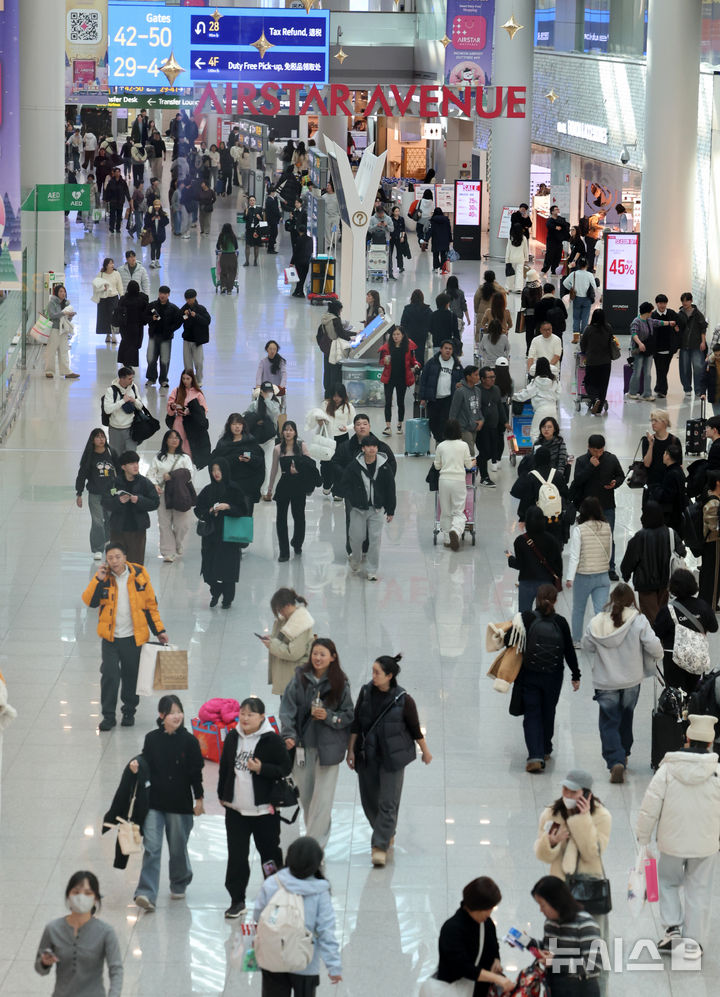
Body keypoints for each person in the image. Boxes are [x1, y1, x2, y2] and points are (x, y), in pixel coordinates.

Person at [636, 712, 720, 960]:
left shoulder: (667, 770)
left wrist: (643, 839)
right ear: (710, 743)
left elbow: (650, 806)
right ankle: (693, 943)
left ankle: (672, 930)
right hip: (705, 845)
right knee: (699, 890)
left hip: (671, 842)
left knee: (667, 882)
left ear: (686, 739)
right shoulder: (717, 773)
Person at [347, 654, 432, 866]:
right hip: (367, 755)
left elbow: (414, 728)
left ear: (389, 676)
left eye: (377, 672)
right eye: (373, 671)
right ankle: (386, 830)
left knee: (388, 802)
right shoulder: (365, 693)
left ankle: (379, 845)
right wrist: (351, 751)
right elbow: (356, 723)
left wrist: (425, 751)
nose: (373, 676)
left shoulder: (404, 699)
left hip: (392, 758)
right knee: (369, 801)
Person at [127, 695, 204, 913]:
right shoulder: (152, 738)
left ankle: (179, 881)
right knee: (152, 847)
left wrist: (199, 799)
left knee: (177, 846)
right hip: (155, 802)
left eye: (179, 711)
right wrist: (137, 765)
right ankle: (146, 892)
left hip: (180, 803)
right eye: (171, 712)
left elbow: (195, 773)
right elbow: (147, 761)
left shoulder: (189, 742)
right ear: (161, 716)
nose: (176, 716)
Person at [218, 696, 292, 918]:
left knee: (269, 856)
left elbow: (285, 768)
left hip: (264, 813)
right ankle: (237, 900)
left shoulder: (272, 740)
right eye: (242, 714)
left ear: (262, 717)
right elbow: (224, 767)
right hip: (236, 811)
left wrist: (262, 769)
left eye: (250, 714)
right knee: (237, 857)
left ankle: (274, 897)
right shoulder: (232, 737)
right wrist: (222, 795)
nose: (245, 718)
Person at [82, 540, 167, 730]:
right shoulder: (104, 578)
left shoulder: (139, 574)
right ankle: (108, 715)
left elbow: (150, 606)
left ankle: (129, 711)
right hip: (110, 639)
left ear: (125, 558)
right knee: (110, 675)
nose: (114, 561)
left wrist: (159, 631)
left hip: (133, 637)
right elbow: (90, 602)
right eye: (110, 558)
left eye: (118, 557)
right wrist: (97, 579)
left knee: (131, 675)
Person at [582, 583, 663, 781]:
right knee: (626, 718)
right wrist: (658, 656)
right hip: (631, 681)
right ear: (631, 600)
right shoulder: (639, 621)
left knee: (609, 722)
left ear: (611, 599)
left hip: (605, 682)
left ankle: (615, 760)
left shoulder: (599, 621)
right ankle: (624, 753)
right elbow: (654, 646)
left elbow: (586, 645)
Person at [279, 639, 353, 849]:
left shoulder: (340, 682)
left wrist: (328, 716)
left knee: (323, 802)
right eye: (315, 654)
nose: (318, 658)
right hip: (302, 747)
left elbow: (348, 714)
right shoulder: (299, 678)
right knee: (307, 798)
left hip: (329, 750)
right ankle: (314, 842)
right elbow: (287, 709)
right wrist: (289, 735)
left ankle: (314, 848)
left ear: (333, 657)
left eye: (323, 654)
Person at [253, 836, 343, 994]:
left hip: (273, 955)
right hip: (305, 961)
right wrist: (333, 966)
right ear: (317, 863)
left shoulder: (272, 882)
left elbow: (258, 917)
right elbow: (326, 931)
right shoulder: (320, 891)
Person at [514, 584, 580, 773]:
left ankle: (534, 755)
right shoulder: (560, 622)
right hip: (553, 676)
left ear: (537, 598)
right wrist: (576, 675)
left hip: (530, 674)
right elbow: (569, 650)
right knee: (548, 711)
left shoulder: (526, 618)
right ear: (556, 600)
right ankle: (545, 749)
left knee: (532, 713)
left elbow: (511, 640)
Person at [35, 870, 122, 995]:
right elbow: (40, 969)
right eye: (76, 892)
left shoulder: (106, 932)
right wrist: (44, 963)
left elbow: (116, 970)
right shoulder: (52, 929)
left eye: (88, 893)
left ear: (95, 898)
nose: (81, 897)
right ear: (68, 896)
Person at [432, 877, 512, 996]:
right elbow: (462, 967)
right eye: (488, 908)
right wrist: (496, 976)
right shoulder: (452, 929)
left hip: (479, 989)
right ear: (478, 906)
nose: (541, 910)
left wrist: (496, 960)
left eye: (542, 905)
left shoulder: (487, 924)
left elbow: (550, 960)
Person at [336, 434, 396, 581]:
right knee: (356, 538)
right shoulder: (354, 466)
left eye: (374, 446)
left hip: (376, 509)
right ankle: (355, 560)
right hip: (358, 509)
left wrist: (390, 509)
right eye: (369, 446)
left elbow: (390, 489)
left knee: (375, 540)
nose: (372, 449)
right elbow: (345, 484)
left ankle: (372, 570)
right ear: (363, 449)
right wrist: (353, 498)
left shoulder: (384, 467)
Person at [531, 875, 602, 995]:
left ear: (556, 902)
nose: (541, 910)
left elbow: (594, 965)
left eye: (543, 905)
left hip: (581, 990)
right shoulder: (550, 923)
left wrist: (556, 962)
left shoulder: (585, 924)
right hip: (556, 987)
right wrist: (524, 941)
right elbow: (550, 950)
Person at [653, 568, 718, 695]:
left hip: (673, 658)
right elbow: (714, 627)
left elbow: (656, 633)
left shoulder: (668, 610)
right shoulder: (703, 606)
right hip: (697, 656)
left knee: (675, 696)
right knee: (695, 694)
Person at [620, 500, 686, 625]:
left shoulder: (640, 537)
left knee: (652, 618)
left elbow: (630, 560)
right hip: (665, 582)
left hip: (646, 585)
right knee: (660, 613)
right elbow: (682, 552)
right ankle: (660, 641)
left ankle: (656, 642)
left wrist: (626, 574)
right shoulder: (670, 533)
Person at [570, 435, 624, 580]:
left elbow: (621, 476)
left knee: (609, 537)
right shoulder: (582, 461)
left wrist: (615, 482)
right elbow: (578, 481)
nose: (598, 454)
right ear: (589, 447)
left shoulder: (611, 459)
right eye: (595, 451)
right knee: (585, 538)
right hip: (586, 508)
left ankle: (610, 567)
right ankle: (584, 566)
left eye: (600, 451)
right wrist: (590, 466)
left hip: (607, 505)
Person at [194, 459, 246, 608]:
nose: (216, 473)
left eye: (219, 470)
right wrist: (210, 511)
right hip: (211, 535)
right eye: (213, 470)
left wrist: (228, 507)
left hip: (229, 536)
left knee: (228, 570)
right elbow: (198, 510)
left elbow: (243, 510)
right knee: (208, 570)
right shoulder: (207, 490)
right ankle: (216, 590)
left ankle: (227, 599)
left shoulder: (234, 489)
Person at [565, 498, 611, 643]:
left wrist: (570, 578)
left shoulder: (579, 530)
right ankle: (600, 640)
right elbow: (609, 552)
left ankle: (577, 640)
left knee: (579, 610)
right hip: (603, 575)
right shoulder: (607, 527)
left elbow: (574, 557)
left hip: (583, 576)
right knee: (600, 611)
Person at [267, 420, 315, 560]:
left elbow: (310, 465)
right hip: (284, 485)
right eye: (285, 430)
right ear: (282, 432)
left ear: (295, 432)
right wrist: (270, 488)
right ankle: (284, 551)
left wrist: (299, 469)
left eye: (291, 430)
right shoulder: (277, 449)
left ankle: (297, 542)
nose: (288, 432)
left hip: (299, 486)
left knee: (299, 516)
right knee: (281, 519)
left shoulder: (301, 446)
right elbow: (274, 470)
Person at [102, 450, 160, 566]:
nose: (135, 466)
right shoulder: (114, 483)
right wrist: (118, 501)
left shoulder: (144, 483)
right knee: (116, 564)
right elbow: (105, 502)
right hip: (118, 530)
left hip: (137, 530)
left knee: (136, 565)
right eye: (131, 463)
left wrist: (139, 500)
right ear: (123, 467)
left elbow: (155, 502)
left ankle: (135, 584)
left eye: (137, 463)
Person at [146, 430, 195, 563]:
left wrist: (173, 476)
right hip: (163, 494)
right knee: (164, 524)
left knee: (182, 525)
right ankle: (168, 551)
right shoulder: (159, 457)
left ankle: (177, 544)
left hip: (180, 494)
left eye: (176, 437)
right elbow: (150, 473)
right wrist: (155, 484)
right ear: (166, 440)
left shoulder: (185, 458)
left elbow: (189, 474)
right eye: (171, 437)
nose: (174, 440)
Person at [506, 507, 563, 613]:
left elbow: (519, 564)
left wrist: (510, 558)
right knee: (545, 615)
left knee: (524, 616)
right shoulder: (552, 540)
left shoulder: (520, 541)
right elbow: (558, 565)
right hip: (546, 584)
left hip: (526, 582)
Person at [261, 588, 316, 695]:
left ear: (286, 606)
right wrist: (271, 639)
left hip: (295, 679)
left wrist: (272, 644)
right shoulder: (285, 619)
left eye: (279, 609)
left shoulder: (301, 622)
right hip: (287, 675)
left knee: (291, 709)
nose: (279, 613)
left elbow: (294, 653)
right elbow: (281, 640)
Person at [433, 418, 475, 550]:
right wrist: (474, 462)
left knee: (445, 511)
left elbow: (437, 466)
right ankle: (456, 531)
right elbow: (468, 464)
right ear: (459, 431)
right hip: (458, 480)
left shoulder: (440, 446)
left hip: (444, 480)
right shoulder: (463, 445)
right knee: (458, 511)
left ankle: (446, 539)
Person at [75, 429, 117, 559]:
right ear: (92, 440)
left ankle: (107, 541)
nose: (101, 439)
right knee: (97, 521)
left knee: (110, 519)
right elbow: (81, 476)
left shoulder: (111, 453)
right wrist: (79, 493)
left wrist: (119, 489)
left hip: (111, 494)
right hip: (95, 494)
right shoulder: (89, 456)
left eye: (102, 436)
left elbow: (119, 472)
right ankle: (97, 548)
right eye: (97, 437)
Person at [419, 341, 464, 444]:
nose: (448, 350)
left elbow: (462, 379)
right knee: (433, 422)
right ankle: (439, 439)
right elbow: (424, 379)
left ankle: (442, 443)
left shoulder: (456, 364)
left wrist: (459, 384)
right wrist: (422, 397)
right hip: (433, 399)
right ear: (441, 349)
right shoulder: (432, 362)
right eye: (446, 348)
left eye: (450, 349)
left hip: (448, 399)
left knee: (444, 422)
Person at [378, 326, 418, 437]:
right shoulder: (387, 347)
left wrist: (416, 365)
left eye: (398, 334)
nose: (396, 336)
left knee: (400, 402)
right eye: (394, 334)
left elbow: (413, 361)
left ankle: (399, 424)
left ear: (403, 335)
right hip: (389, 378)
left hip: (402, 378)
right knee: (388, 402)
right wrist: (384, 361)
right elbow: (381, 361)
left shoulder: (408, 348)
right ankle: (388, 426)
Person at [316, 385, 355, 495]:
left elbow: (354, 422)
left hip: (342, 437)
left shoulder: (349, 407)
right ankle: (327, 483)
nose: (336, 398)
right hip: (327, 436)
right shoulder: (325, 404)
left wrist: (346, 428)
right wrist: (319, 421)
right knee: (325, 462)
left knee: (340, 464)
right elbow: (318, 417)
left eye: (339, 396)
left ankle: (338, 491)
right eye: (334, 395)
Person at [166, 368, 209, 468]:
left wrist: (190, 411)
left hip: (192, 425)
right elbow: (169, 410)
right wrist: (173, 407)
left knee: (190, 448)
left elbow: (204, 410)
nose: (185, 381)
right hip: (178, 423)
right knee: (177, 447)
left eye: (187, 378)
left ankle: (188, 470)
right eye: (183, 378)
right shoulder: (176, 391)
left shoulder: (198, 394)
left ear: (192, 379)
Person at [246, 382, 282, 499]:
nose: (268, 394)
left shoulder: (276, 404)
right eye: (265, 392)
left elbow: (275, 414)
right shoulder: (254, 405)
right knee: (252, 463)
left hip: (269, 439)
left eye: (270, 391)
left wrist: (267, 400)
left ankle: (265, 491)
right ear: (261, 392)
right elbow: (246, 417)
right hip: (255, 440)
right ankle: (253, 487)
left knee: (268, 464)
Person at [476, 366, 510, 486]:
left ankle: (477, 464)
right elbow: (475, 408)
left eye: (493, 377)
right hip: (482, 428)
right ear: (482, 379)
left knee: (493, 452)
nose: (493, 379)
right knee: (485, 451)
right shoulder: (477, 390)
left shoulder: (496, 389)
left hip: (494, 426)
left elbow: (500, 407)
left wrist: (505, 421)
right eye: (490, 377)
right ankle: (484, 477)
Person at [513, 357, 561, 441]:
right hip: (553, 409)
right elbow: (559, 395)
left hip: (541, 410)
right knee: (552, 435)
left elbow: (524, 396)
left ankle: (538, 453)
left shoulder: (536, 381)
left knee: (535, 434)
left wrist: (513, 395)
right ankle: (551, 452)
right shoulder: (555, 381)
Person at [626, 301, 664, 401]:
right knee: (637, 372)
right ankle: (632, 392)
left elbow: (658, 322)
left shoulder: (649, 320)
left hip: (648, 351)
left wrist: (669, 323)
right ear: (646, 312)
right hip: (639, 350)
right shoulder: (636, 321)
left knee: (648, 373)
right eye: (651, 311)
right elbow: (634, 334)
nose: (652, 313)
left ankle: (647, 394)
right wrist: (640, 343)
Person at [579, 310, 616, 414]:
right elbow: (611, 341)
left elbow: (583, 344)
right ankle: (599, 408)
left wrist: (585, 352)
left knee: (589, 382)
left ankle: (595, 399)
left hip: (592, 361)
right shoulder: (608, 328)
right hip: (606, 361)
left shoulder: (588, 329)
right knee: (603, 384)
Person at [146, 285, 182, 388]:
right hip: (153, 336)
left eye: (165, 294)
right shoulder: (152, 306)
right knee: (151, 359)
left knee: (164, 359)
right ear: (158, 293)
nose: (162, 295)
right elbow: (144, 316)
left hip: (166, 338)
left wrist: (171, 329)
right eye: (161, 293)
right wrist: (151, 318)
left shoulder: (173, 308)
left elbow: (179, 321)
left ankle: (163, 380)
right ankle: (151, 378)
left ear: (168, 295)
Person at [103, 366, 144, 455]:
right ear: (122, 378)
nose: (132, 380)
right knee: (116, 457)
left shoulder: (133, 387)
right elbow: (107, 409)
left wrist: (134, 401)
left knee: (131, 457)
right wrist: (122, 401)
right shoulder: (111, 390)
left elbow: (140, 406)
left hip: (131, 429)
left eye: (132, 378)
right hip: (115, 430)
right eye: (129, 378)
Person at [648, 440, 687, 532]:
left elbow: (667, 496)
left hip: (671, 519)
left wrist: (655, 488)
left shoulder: (672, 474)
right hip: (677, 515)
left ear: (669, 456)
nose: (663, 455)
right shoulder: (678, 471)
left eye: (665, 453)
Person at [317, 299, 353, 395]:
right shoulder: (335, 320)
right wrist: (353, 336)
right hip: (334, 348)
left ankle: (327, 390)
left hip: (326, 348)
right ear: (337, 310)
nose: (341, 312)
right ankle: (334, 392)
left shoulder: (325, 318)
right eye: (340, 310)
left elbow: (319, 334)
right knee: (335, 370)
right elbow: (341, 333)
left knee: (327, 370)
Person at [677, 291, 708, 397]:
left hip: (697, 345)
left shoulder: (697, 314)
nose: (685, 303)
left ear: (691, 301)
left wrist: (703, 342)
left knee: (698, 367)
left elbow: (703, 329)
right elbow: (678, 330)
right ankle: (687, 388)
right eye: (683, 301)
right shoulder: (679, 314)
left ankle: (699, 390)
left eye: (687, 300)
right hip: (684, 345)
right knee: (684, 368)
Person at [45, 284, 79, 379]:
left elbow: (66, 319)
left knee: (64, 350)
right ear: (56, 292)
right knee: (51, 351)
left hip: (63, 330)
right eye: (60, 291)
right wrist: (63, 313)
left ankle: (66, 371)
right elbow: (52, 315)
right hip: (55, 329)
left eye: (64, 291)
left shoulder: (66, 304)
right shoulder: (52, 303)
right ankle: (49, 371)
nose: (63, 293)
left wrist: (70, 316)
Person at [641, 410, 681, 488]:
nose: (653, 423)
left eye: (656, 420)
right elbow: (646, 464)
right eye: (652, 420)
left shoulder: (674, 441)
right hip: (652, 484)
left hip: (670, 484)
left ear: (665, 422)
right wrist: (651, 445)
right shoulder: (647, 440)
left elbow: (679, 465)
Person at [650, 295, 680, 399]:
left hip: (669, 348)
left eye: (664, 303)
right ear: (656, 304)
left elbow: (680, 322)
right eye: (660, 303)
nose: (662, 305)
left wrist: (677, 327)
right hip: (657, 348)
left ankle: (659, 388)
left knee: (664, 369)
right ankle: (662, 390)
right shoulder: (653, 315)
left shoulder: (671, 313)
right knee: (660, 369)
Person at [115, 279, 149, 370]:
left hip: (125, 327)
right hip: (137, 327)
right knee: (134, 346)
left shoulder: (123, 299)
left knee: (125, 343)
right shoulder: (142, 299)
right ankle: (129, 364)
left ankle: (126, 364)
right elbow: (146, 311)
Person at [180, 288, 210, 387]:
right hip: (187, 340)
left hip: (197, 341)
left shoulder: (201, 309)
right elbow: (180, 320)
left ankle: (199, 379)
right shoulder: (184, 309)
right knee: (187, 364)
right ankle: (189, 381)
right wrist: (184, 316)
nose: (188, 301)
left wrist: (196, 316)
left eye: (190, 299)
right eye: (187, 299)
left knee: (198, 362)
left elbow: (207, 321)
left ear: (194, 298)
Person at [449, 365, 482, 455]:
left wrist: (481, 420)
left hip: (474, 427)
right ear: (468, 377)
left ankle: (466, 468)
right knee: (470, 452)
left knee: (466, 453)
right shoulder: (460, 391)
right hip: (463, 428)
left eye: (478, 375)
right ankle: (469, 468)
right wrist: (452, 429)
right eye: (475, 375)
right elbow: (453, 411)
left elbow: (479, 408)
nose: (478, 377)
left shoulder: (478, 391)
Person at [699, 470, 720, 609]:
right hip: (714, 544)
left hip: (711, 544)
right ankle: (710, 605)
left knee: (709, 574)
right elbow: (715, 527)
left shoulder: (710, 496)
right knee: (713, 576)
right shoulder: (713, 503)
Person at [561, 258, 595, 342]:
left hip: (576, 298)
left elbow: (565, 282)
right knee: (585, 318)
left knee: (576, 318)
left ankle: (575, 337)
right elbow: (594, 286)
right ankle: (583, 337)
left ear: (578, 265)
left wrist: (572, 288)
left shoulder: (574, 274)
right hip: (587, 299)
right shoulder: (589, 275)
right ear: (587, 265)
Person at [93, 257, 123, 344]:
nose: (112, 265)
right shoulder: (101, 274)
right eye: (110, 263)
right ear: (106, 265)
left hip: (113, 298)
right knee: (104, 317)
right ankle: (107, 334)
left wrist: (122, 296)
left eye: (113, 263)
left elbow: (119, 286)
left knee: (113, 317)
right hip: (103, 298)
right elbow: (96, 285)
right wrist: (103, 288)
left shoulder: (116, 274)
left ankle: (113, 334)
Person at [400, 289, 433, 363]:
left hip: (410, 335)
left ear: (412, 298)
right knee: (420, 353)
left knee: (409, 352)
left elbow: (403, 323)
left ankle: (410, 368)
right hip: (422, 335)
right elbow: (431, 323)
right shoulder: (427, 310)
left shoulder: (407, 309)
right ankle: (419, 369)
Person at [520, 269, 544, 354]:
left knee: (529, 333)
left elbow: (523, 305)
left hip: (529, 314)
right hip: (538, 313)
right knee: (537, 332)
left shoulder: (525, 289)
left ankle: (528, 350)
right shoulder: (540, 287)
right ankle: (537, 351)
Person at [541, 205, 570, 276]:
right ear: (552, 212)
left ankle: (554, 270)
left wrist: (559, 226)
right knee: (549, 255)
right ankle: (544, 270)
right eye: (556, 209)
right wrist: (555, 227)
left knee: (558, 256)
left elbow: (566, 225)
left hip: (559, 241)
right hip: (551, 241)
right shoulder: (550, 220)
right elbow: (549, 225)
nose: (557, 210)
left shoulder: (561, 219)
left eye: (558, 209)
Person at [143, 198, 170, 269]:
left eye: (158, 205)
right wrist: (152, 219)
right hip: (152, 234)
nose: (157, 207)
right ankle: (152, 261)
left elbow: (167, 221)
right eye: (156, 206)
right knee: (152, 247)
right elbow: (146, 222)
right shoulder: (149, 213)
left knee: (158, 247)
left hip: (160, 234)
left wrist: (160, 220)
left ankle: (157, 260)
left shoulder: (163, 214)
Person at [103, 166, 130, 234]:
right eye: (116, 172)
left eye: (119, 172)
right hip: (113, 201)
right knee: (112, 215)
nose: (117, 173)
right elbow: (108, 191)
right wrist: (106, 199)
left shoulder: (123, 182)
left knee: (119, 215)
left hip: (120, 201)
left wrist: (129, 199)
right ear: (114, 173)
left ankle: (118, 228)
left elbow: (126, 191)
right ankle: (111, 227)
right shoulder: (111, 182)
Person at [505, 222, 529, 294]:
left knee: (511, 273)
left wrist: (507, 259)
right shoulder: (523, 238)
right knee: (519, 273)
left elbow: (508, 249)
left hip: (512, 258)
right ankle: (519, 288)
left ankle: (509, 287)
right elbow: (525, 249)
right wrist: (526, 259)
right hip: (520, 258)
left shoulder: (511, 238)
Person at [215, 222, 239, 293]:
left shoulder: (221, 235)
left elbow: (217, 246)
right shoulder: (233, 235)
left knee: (223, 272)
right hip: (232, 256)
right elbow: (236, 247)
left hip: (224, 256)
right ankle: (229, 290)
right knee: (232, 272)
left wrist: (221, 248)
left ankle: (223, 286)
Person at [290, 225, 313, 298]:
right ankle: (298, 291)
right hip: (306, 261)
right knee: (303, 276)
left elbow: (296, 252)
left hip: (299, 261)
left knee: (299, 276)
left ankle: (299, 291)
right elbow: (311, 250)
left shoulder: (298, 239)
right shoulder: (310, 239)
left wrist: (292, 262)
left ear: (299, 231)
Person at [430, 206, 453, 273]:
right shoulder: (446, 220)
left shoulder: (433, 220)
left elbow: (430, 231)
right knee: (443, 255)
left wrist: (426, 239)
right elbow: (449, 230)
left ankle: (435, 267)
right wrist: (450, 240)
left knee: (435, 254)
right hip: (444, 240)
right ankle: (443, 268)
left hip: (436, 240)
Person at [243, 194, 263, 266]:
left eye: (253, 200)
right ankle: (247, 261)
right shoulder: (247, 209)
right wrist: (246, 213)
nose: (252, 202)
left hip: (256, 230)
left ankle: (255, 261)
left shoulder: (259, 209)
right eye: (250, 200)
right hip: (249, 230)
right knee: (247, 245)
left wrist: (259, 218)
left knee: (256, 246)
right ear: (249, 202)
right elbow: (244, 219)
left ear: (255, 201)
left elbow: (262, 220)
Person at [387, 205, 407, 278]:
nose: (397, 212)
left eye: (398, 211)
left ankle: (401, 266)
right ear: (393, 212)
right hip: (392, 238)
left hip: (399, 238)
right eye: (396, 211)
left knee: (399, 252)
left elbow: (403, 229)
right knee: (390, 253)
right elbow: (388, 228)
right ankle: (390, 267)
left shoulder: (401, 219)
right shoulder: (390, 219)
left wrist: (402, 236)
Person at [264, 188, 281, 254]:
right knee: (273, 234)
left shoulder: (269, 200)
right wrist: (279, 216)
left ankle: (271, 247)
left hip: (271, 220)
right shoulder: (271, 200)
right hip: (272, 220)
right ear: (271, 192)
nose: (275, 194)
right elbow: (275, 210)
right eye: (274, 192)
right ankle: (270, 249)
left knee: (273, 233)